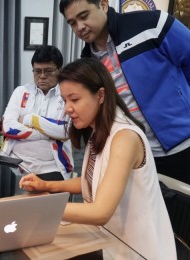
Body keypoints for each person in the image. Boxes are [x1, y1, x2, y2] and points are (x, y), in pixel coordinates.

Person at [19, 58, 176, 259]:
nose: (67, 108)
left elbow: (100, 212)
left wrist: (37, 208)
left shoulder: (125, 138)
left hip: (137, 251)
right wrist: (47, 185)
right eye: (65, 100)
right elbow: (93, 182)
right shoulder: (100, 131)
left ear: (100, 95)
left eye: (74, 100)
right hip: (109, 241)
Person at [59, 0, 190, 184]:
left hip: (182, 144)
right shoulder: (88, 62)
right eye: (72, 23)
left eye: (84, 16)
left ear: (103, 4)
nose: (80, 27)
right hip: (135, 153)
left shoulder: (152, 24)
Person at [0, 45, 73, 181]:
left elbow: (64, 131)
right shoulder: (21, 91)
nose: (42, 76)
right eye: (37, 71)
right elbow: (7, 127)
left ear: (60, 70)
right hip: (14, 161)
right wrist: (47, 133)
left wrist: (29, 119)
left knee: (45, 201)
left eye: (48, 71)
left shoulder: (66, 94)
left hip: (52, 166)